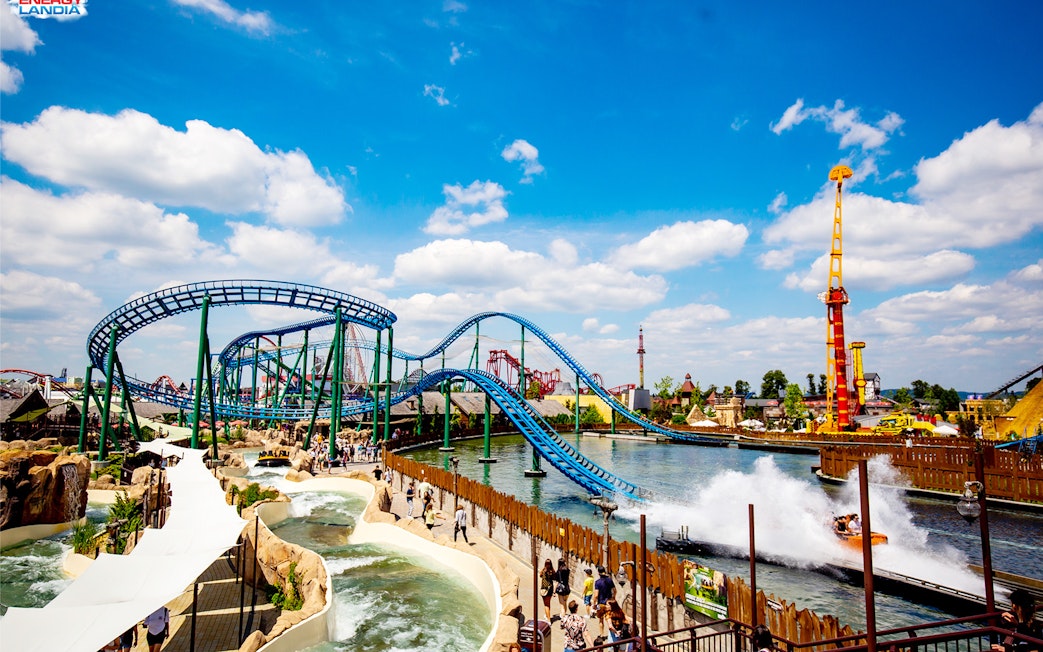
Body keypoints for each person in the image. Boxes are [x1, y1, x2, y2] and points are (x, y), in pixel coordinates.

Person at [593, 566, 616, 637]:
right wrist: (613, 598)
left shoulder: (597, 582)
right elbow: (615, 590)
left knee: (600, 619)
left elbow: (596, 595)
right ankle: (612, 634)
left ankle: (602, 634)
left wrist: (594, 604)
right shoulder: (609, 580)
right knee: (610, 618)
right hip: (608, 603)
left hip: (600, 604)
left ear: (598, 573)